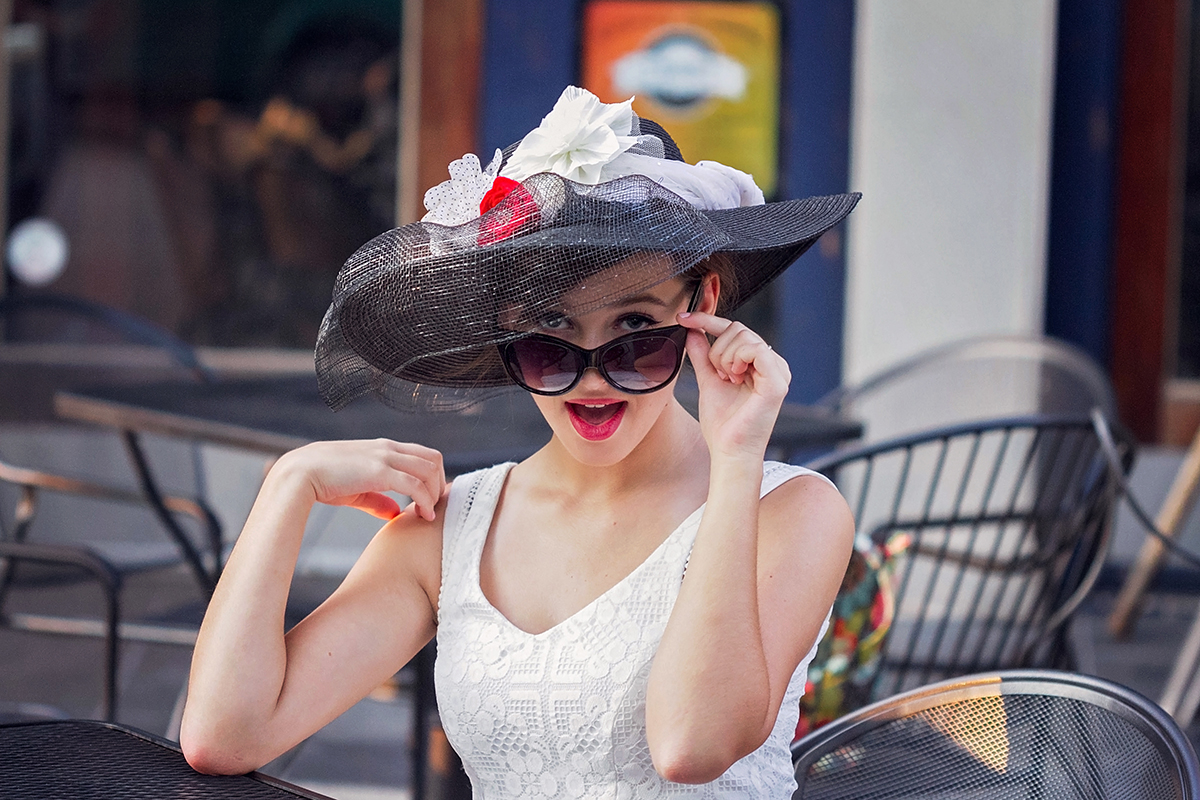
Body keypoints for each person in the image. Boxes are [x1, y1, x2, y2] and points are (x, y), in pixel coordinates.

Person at [180, 86, 859, 797]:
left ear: (704, 308)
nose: (591, 380)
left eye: (636, 332)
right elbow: (225, 736)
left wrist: (736, 458)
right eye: (551, 336)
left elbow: (692, 746)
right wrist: (287, 488)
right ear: (508, 329)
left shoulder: (791, 511)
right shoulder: (451, 529)